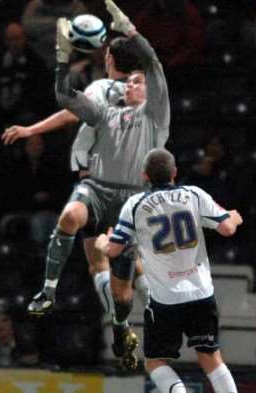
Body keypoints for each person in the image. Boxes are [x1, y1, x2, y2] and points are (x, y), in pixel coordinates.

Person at [27, 0, 170, 370]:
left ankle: (127, 323)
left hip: (133, 200)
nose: (134, 85)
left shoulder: (153, 110)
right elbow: (66, 101)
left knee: (120, 282)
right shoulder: (107, 104)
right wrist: (62, 57)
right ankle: (51, 292)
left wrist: (128, 28)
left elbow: (152, 65)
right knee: (75, 223)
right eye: (132, 80)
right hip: (100, 188)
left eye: (140, 82)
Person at [1, 35, 151, 331]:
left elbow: (71, 112)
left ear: (109, 59)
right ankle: (137, 317)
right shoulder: (149, 96)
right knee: (124, 263)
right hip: (126, 186)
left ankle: (123, 318)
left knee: (104, 262)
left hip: (107, 184)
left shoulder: (105, 90)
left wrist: (32, 129)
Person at [95, 148, 242, 393]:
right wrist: (235, 217)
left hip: (165, 300)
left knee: (154, 362)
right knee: (210, 357)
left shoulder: (136, 205)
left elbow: (114, 250)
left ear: (144, 175)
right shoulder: (194, 194)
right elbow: (227, 228)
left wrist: (102, 243)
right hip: (201, 294)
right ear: (175, 172)